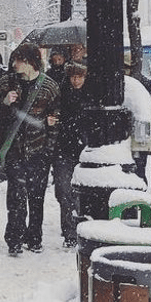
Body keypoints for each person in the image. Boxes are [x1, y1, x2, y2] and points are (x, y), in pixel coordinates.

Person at [0, 42, 60, 255]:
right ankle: (14, 238)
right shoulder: (7, 83)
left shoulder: (48, 87)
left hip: (38, 149)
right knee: (16, 196)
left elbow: (55, 119)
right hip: (14, 149)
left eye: (19, 60)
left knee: (36, 197)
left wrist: (48, 151)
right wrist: (4, 102)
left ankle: (34, 237)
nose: (14, 64)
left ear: (31, 62)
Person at [53, 61, 90, 246]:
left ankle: (76, 229)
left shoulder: (90, 95)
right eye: (73, 77)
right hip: (65, 148)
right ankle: (69, 231)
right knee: (64, 191)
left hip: (81, 149)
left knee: (77, 193)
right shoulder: (61, 94)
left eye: (79, 77)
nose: (76, 81)